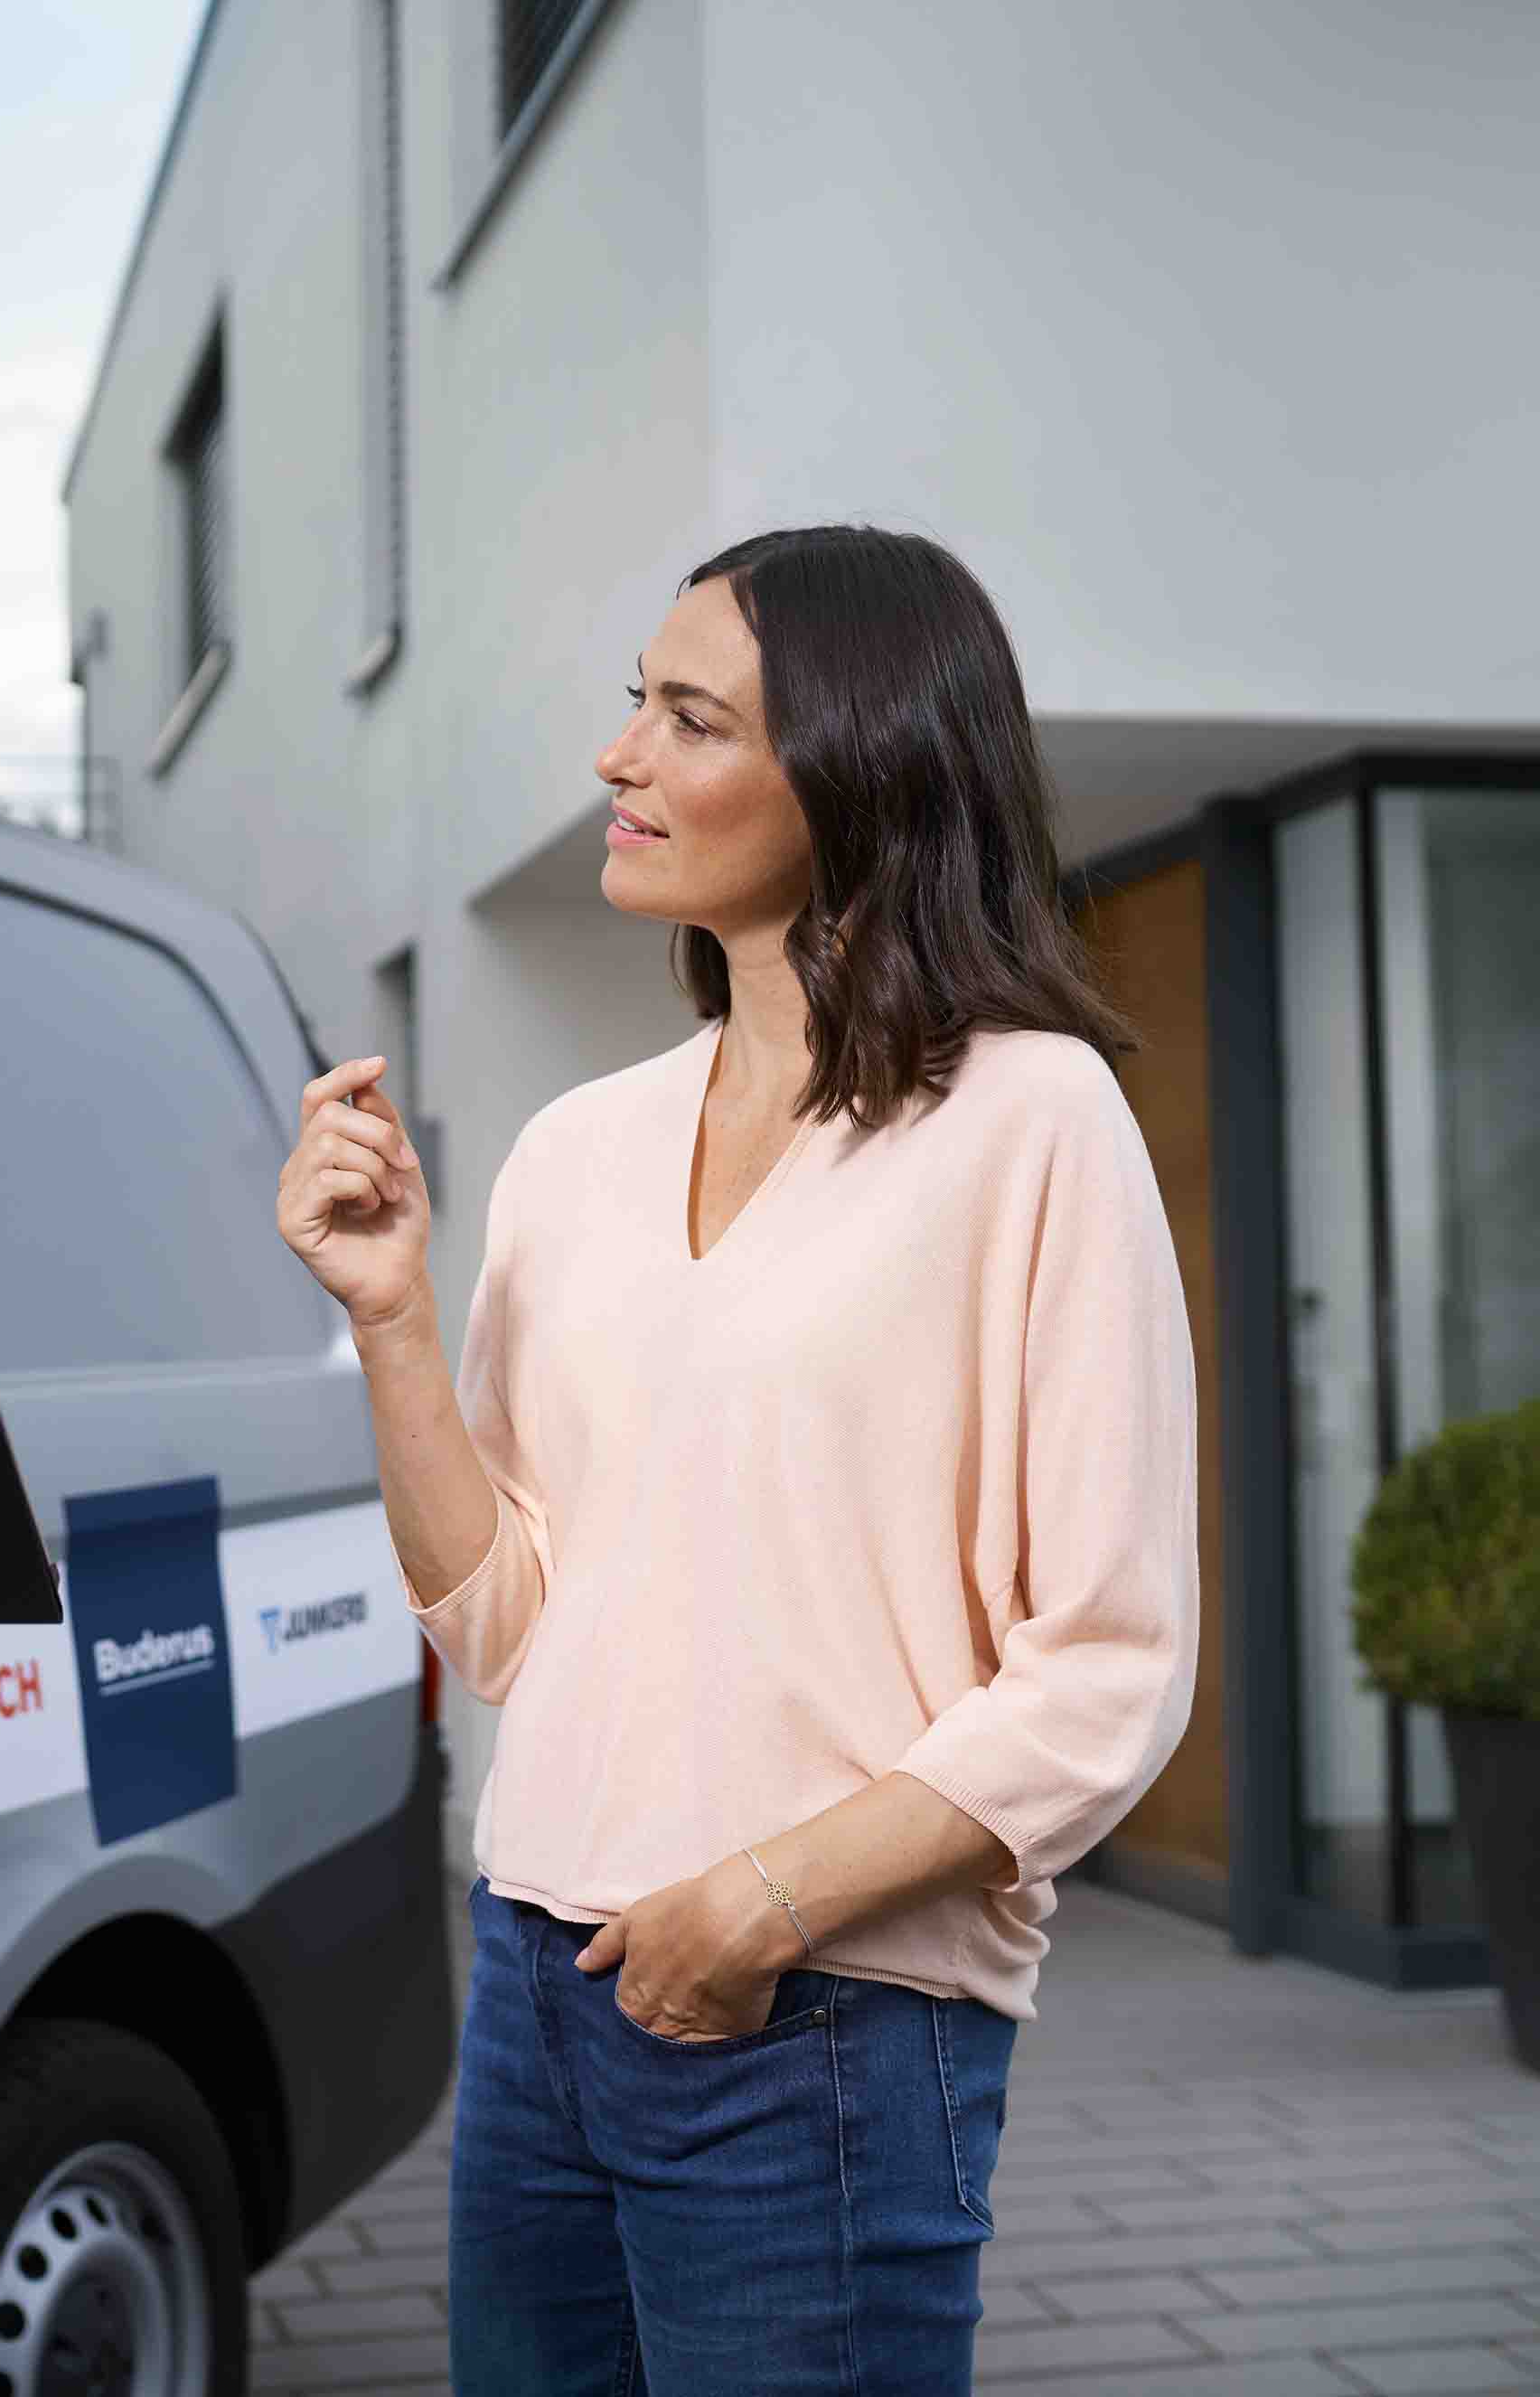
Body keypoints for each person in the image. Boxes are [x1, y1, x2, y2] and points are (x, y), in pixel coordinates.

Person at [275, 526, 1199, 2395]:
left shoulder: (1029, 1119)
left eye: (684, 717)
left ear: (855, 772)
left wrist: (757, 1907)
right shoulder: (573, 1150)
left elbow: (1105, 1664)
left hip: (824, 2008)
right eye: (634, 703)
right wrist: (386, 1316)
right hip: (540, 1974)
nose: (617, 756)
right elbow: (510, 1624)